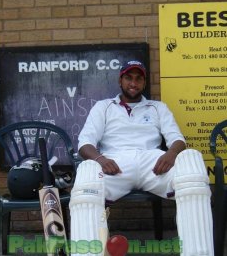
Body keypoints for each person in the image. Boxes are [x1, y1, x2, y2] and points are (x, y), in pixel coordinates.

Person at [69, 60, 214, 256]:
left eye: (138, 79)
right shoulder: (104, 107)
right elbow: (85, 143)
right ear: (120, 80)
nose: (133, 83)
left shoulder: (157, 107)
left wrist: (171, 154)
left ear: (144, 83)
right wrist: (100, 160)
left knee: (192, 163)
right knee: (87, 175)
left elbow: (177, 139)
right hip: (115, 164)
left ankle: (198, 253)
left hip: (153, 165)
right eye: (129, 77)